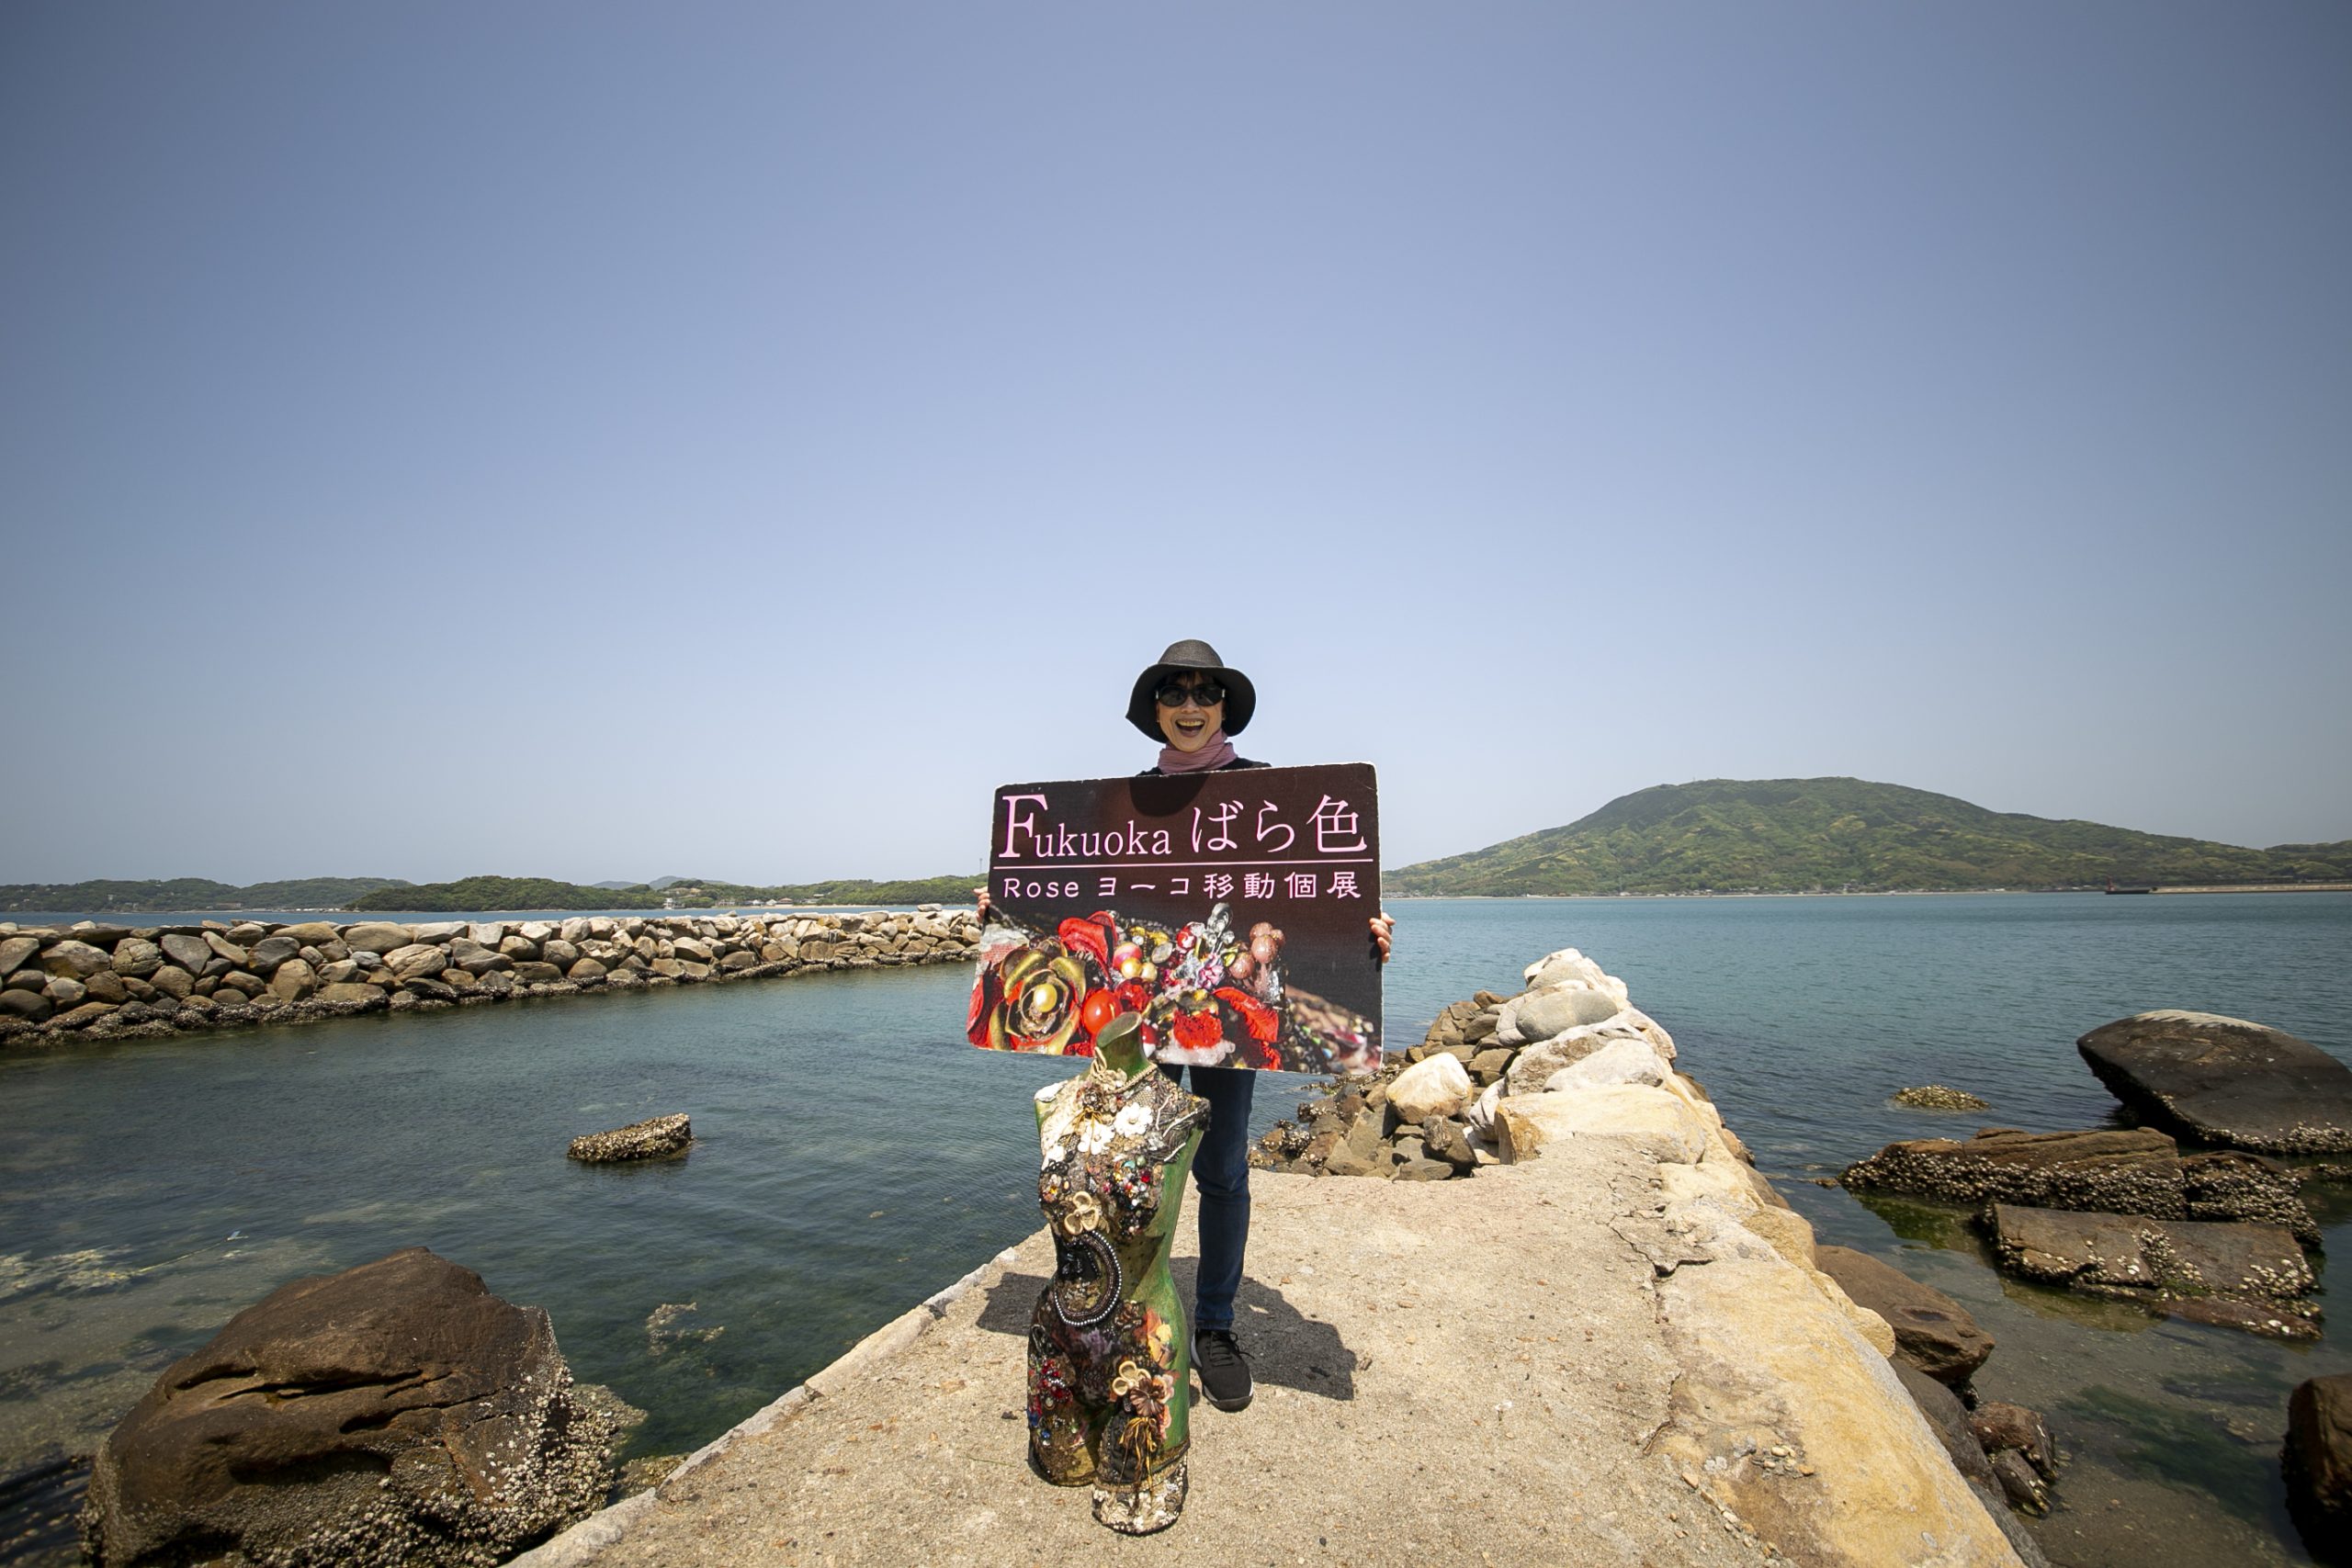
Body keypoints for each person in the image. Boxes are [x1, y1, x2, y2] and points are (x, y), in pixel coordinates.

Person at [983, 638, 1394, 1416]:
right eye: (1174, 691)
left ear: (1225, 706)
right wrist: (1008, 901)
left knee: (1224, 1169)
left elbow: (1315, 897)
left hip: (1230, 1019)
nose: (1190, 704)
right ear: (1157, 709)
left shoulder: (1270, 791)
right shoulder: (1131, 798)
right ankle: (1131, 1309)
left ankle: (1213, 1326)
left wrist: (1362, 936)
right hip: (1140, 1017)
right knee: (1133, 1159)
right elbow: (1079, 885)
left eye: (1205, 691)